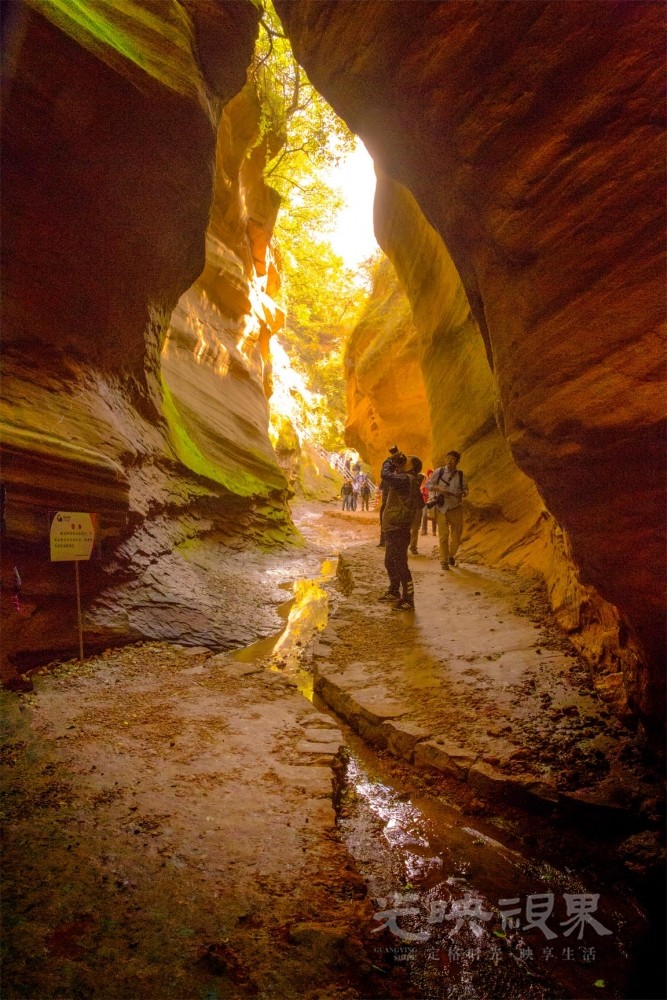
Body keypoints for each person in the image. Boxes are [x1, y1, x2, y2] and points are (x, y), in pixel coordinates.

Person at [379, 453, 423, 610]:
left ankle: (408, 599)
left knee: (401, 565)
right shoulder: (407, 480)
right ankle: (394, 591)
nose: (403, 461)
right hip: (394, 526)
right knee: (390, 562)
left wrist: (390, 460)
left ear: (411, 467)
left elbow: (385, 475)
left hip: (399, 528)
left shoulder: (406, 480)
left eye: (407, 460)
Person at [426, 451, 468, 571]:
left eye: (452, 459)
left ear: (457, 461)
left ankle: (450, 555)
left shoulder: (461, 475)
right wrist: (438, 488)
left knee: (457, 537)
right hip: (441, 507)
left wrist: (463, 493)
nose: (449, 460)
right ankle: (444, 561)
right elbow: (428, 485)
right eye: (448, 458)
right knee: (443, 536)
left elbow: (466, 489)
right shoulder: (439, 472)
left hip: (455, 507)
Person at [378, 445, 400, 547]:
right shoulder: (395, 465)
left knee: (386, 518)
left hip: (391, 496)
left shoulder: (393, 466)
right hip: (388, 495)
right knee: (384, 518)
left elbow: (384, 474)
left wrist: (389, 461)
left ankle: (385, 541)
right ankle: (384, 541)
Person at [409, 472, 426, 555]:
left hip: (414, 510)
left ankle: (412, 546)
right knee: (414, 529)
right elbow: (420, 503)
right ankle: (413, 547)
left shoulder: (415, 489)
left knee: (412, 529)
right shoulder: (416, 490)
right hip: (415, 511)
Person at [420, 469, 438, 537]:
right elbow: (422, 490)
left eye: (432, 474)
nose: (431, 475)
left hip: (433, 501)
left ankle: (434, 531)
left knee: (433, 517)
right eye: (430, 474)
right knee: (424, 515)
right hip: (425, 502)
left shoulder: (436, 483)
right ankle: (424, 530)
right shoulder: (425, 483)